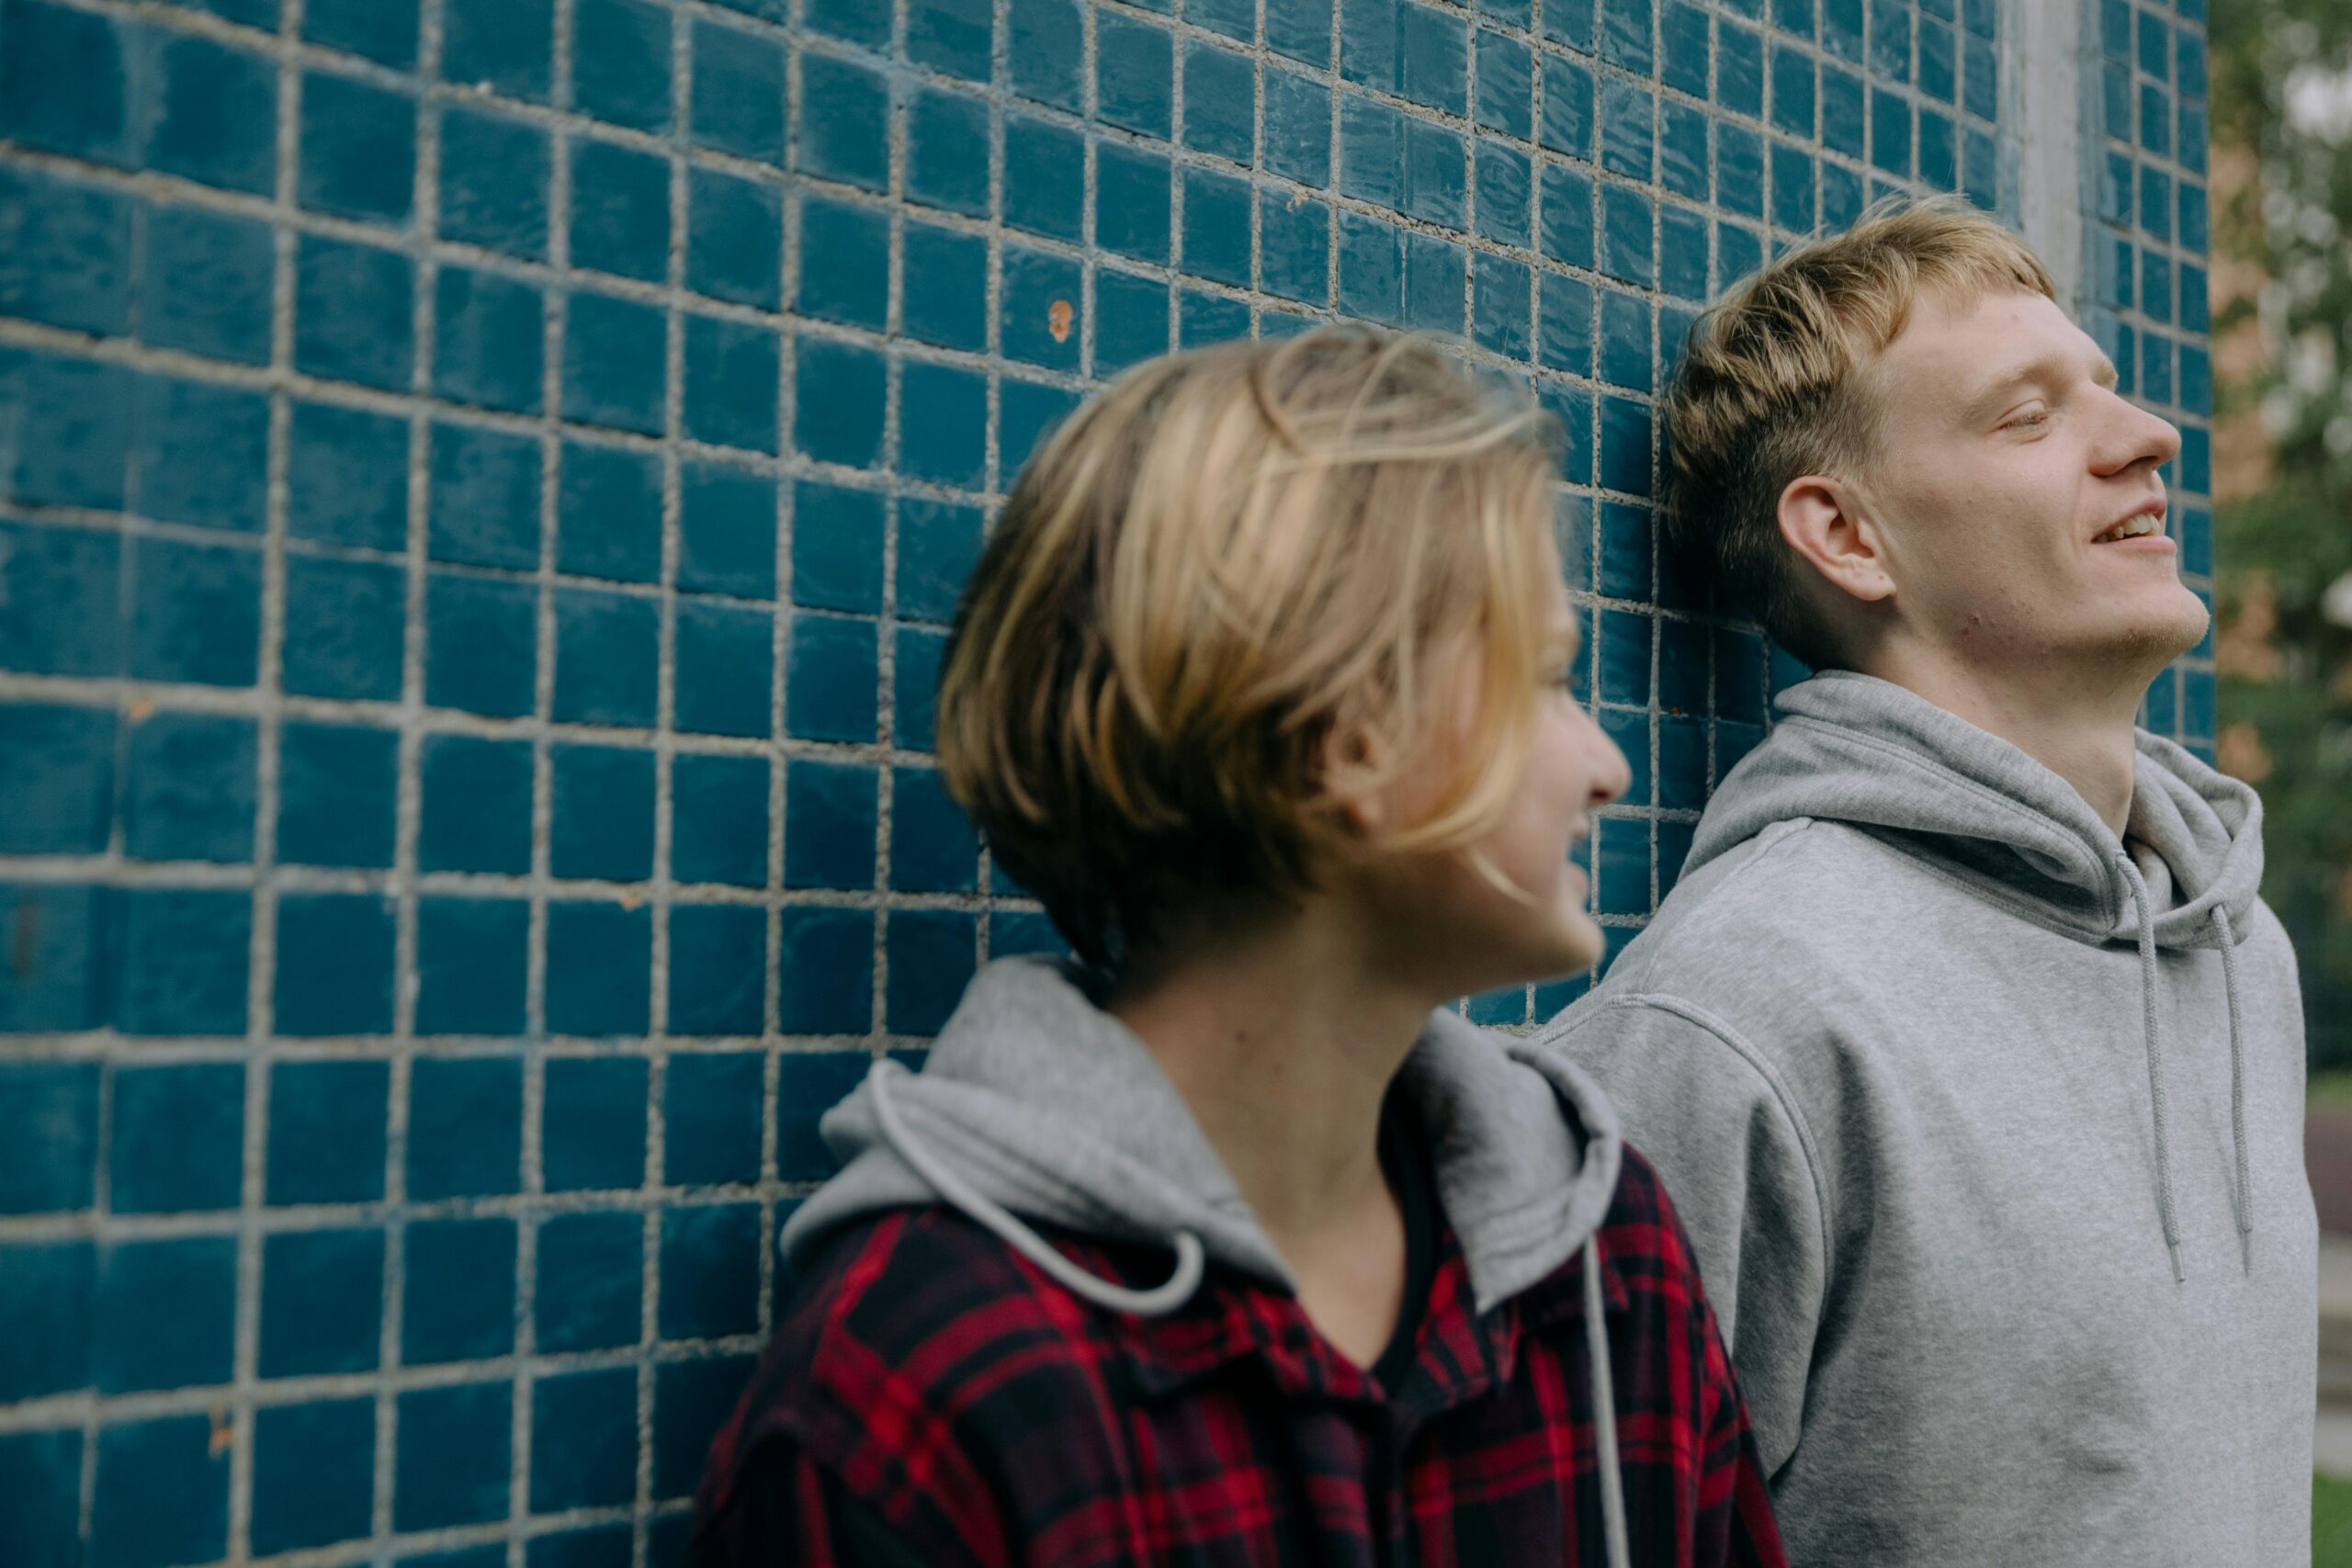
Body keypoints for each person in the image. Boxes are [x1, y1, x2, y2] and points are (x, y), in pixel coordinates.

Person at [689, 329, 1785, 1567]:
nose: (1606, 765)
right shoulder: (921, 1384)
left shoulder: (1605, 1259)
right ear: (1344, 731)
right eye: (1543, 680)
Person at [1538, 197, 2318, 1565]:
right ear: (1848, 536)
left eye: (2111, 393)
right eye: (2028, 416)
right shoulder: (1738, 1015)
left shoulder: (2239, 950)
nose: (2147, 438)